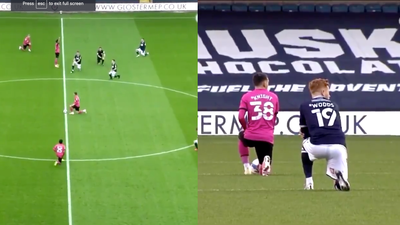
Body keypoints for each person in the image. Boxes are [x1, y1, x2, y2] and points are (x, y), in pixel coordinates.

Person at [299, 78, 350, 191]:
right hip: (339, 147)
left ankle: (309, 182)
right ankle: (339, 179)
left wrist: (306, 134)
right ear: (323, 92)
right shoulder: (334, 105)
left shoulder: (305, 106)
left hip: (317, 146)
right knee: (339, 162)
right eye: (328, 91)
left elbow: (304, 131)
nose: (329, 94)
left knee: (304, 145)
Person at [238, 72, 279, 176]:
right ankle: (262, 165)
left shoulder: (246, 96)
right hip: (267, 136)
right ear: (265, 83)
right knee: (264, 165)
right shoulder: (274, 97)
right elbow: (274, 117)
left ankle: (247, 166)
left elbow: (241, 117)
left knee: (241, 135)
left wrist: (246, 128)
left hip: (251, 135)